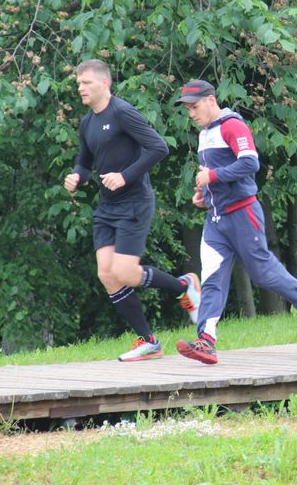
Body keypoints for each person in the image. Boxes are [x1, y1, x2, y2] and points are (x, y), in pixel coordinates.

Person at [174, 80, 297, 364]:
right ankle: (206, 341)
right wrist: (204, 193)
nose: (191, 114)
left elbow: (249, 163)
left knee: (263, 274)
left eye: (194, 107)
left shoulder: (232, 125)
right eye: (187, 109)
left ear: (210, 100)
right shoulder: (204, 134)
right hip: (216, 220)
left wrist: (213, 178)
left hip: (243, 215)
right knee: (212, 278)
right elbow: (215, 172)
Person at [64, 59, 201, 362]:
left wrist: (125, 176)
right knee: (107, 274)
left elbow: (158, 148)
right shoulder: (87, 122)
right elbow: (85, 162)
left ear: (104, 83)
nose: (79, 88)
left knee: (124, 272)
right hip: (106, 206)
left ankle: (184, 286)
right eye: (78, 83)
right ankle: (150, 341)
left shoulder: (123, 113)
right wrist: (78, 177)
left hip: (135, 202)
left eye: (85, 82)